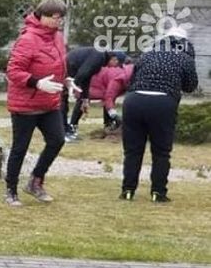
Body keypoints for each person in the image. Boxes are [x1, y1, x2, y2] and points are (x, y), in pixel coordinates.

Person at [3, 0, 69, 207]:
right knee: (20, 148)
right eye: (56, 18)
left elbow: (57, 64)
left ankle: (35, 181)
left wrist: (67, 80)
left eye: (61, 18)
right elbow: (13, 71)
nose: (59, 22)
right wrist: (37, 83)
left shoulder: (57, 37)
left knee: (57, 140)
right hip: (26, 104)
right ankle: (11, 190)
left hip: (49, 102)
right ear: (43, 16)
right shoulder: (28, 38)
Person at [120, 27, 198, 203]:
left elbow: (132, 79)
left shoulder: (147, 54)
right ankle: (158, 192)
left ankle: (128, 190)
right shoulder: (185, 57)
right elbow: (190, 86)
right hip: (163, 103)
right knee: (161, 151)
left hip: (134, 100)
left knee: (132, 150)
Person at [62, 47, 113, 142]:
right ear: (114, 58)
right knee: (62, 100)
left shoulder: (99, 59)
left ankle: (65, 129)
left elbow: (86, 78)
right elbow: (82, 73)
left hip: (71, 67)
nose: (114, 67)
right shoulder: (99, 57)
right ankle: (63, 132)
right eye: (117, 63)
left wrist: (85, 99)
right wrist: (72, 86)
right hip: (67, 67)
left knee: (63, 100)